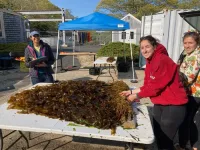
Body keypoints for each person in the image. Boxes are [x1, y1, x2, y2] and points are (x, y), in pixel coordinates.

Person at [120, 35, 188, 150]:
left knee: (165, 142)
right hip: (160, 104)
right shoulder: (150, 62)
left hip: (173, 105)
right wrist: (130, 91)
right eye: (142, 48)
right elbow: (147, 85)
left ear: (154, 47)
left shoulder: (162, 60)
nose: (144, 50)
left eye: (147, 47)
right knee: (157, 137)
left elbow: (155, 87)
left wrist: (135, 96)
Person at [177, 31, 200, 150]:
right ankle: (194, 146)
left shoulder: (195, 56)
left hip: (193, 93)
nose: (187, 45)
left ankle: (183, 145)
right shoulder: (188, 53)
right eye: (185, 42)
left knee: (186, 120)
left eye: (190, 42)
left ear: (197, 43)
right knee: (194, 120)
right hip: (194, 92)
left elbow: (188, 78)